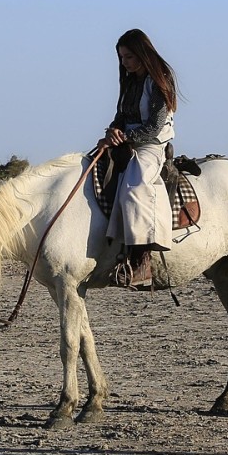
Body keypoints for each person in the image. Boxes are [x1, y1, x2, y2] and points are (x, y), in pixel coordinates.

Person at [100, 29, 177, 289]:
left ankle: (142, 258)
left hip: (151, 146)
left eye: (129, 57)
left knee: (135, 185)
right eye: (122, 58)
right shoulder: (130, 82)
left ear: (143, 55)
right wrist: (113, 131)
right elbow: (121, 115)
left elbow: (154, 127)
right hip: (129, 141)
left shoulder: (159, 81)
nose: (125, 63)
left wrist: (127, 137)